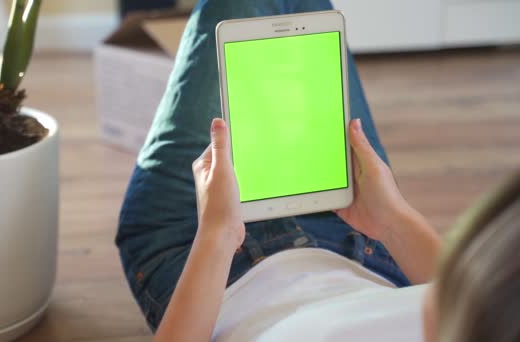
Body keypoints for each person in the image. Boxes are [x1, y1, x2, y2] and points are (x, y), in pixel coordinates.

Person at [115, 0, 520, 341]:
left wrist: (218, 236)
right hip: (364, 237)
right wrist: (392, 219)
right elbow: (465, 301)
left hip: (199, 254)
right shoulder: (480, 315)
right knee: (308, 21)